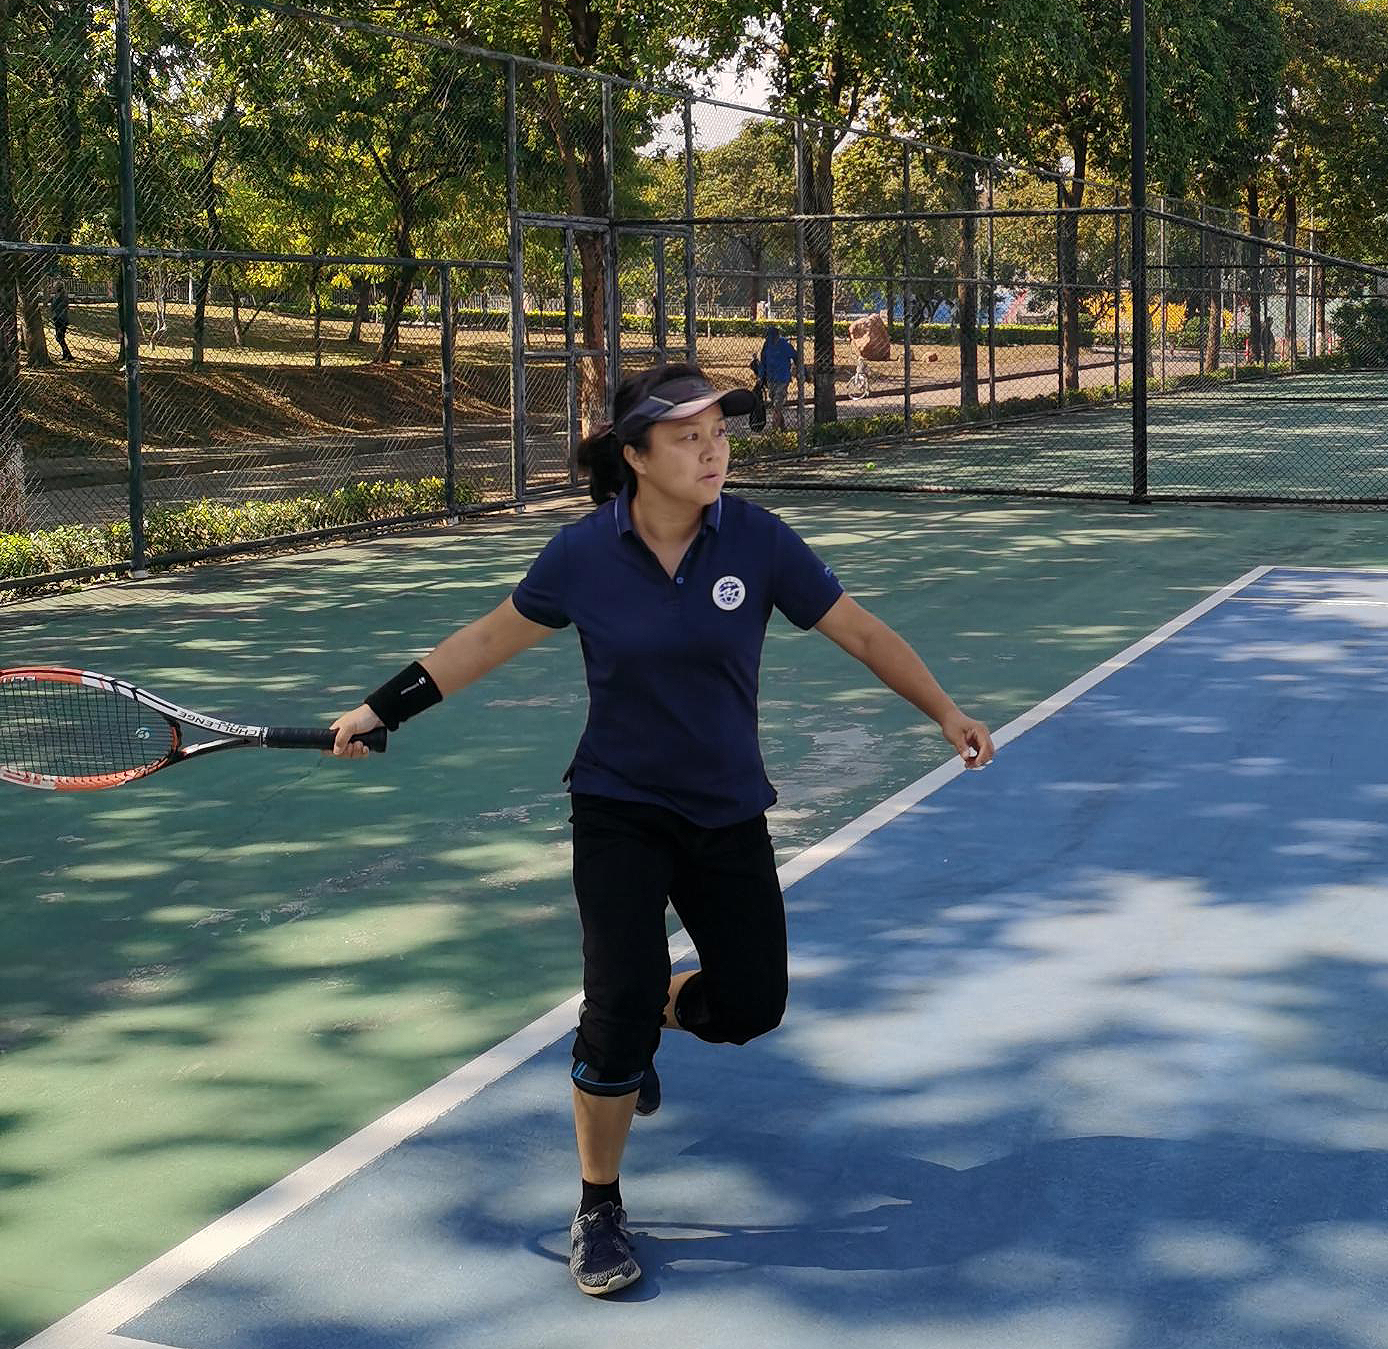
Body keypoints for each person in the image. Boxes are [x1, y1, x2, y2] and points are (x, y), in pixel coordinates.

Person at [329, 361, 994, 1299]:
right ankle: (599, 1204)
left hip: (727, 810)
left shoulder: (757, 540)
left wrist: (945, 711)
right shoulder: (582, 555)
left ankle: (651, 1012)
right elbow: (483, 641)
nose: (714, 451)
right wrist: (381, 708)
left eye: (719, 433)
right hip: (620, 809)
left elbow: (861, 632)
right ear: (636, 456)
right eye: (689, 437)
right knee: (612, 1016)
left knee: (752, 1005)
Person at [751, 324, 799, 431]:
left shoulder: (784, 345)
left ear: (777, 336)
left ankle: (774, 431)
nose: (770, 339)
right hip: (771, 379)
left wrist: (799, 370)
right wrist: (760, 376)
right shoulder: (767, 345)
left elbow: (795, 356)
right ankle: (783, 428)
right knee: (776, 405)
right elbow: (763, 362)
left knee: (777, 405)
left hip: (782, 379)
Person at [49, 280, 73, 361]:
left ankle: (68, 355)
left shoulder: (63, 294)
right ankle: (66, 354)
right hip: (57, 317)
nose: (53, 288)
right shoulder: (57, 294)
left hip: (62, 318)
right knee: (59, 337)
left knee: (60, 337)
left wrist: (54, 307)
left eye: (54, 286)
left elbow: (62, 305)